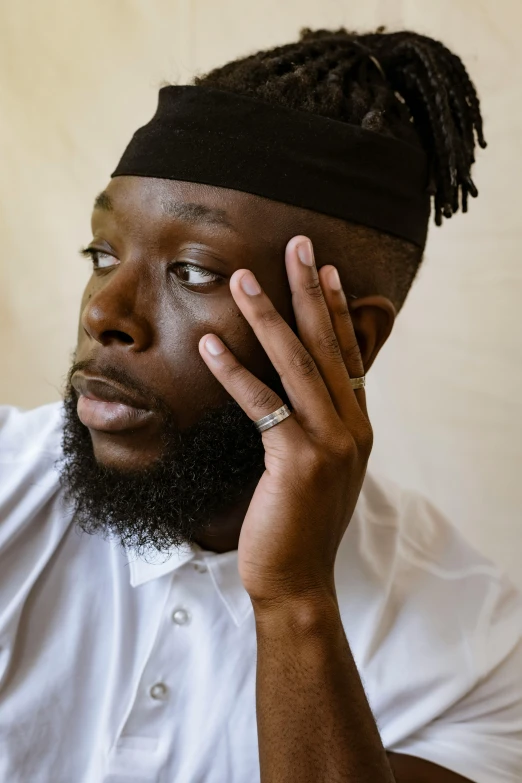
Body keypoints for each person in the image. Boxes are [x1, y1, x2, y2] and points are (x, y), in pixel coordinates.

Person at [0, 26, 520, 783]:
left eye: (193, 270)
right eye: (103, 254)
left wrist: (294, 596)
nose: (104, 312)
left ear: (352, 340)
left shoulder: (470, 645)